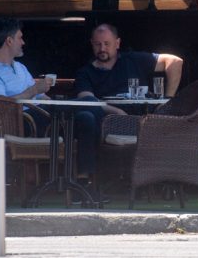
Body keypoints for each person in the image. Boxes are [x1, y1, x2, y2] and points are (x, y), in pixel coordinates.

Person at [73, 23, 183, 181]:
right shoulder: (85, 72)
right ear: (92, 44)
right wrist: (116, 112)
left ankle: (164, 180)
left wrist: (168, 100)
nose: (102, 48)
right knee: (86, 115)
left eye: (107, 44)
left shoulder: (133, 60)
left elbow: (175, 62)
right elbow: (87, 100)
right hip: (107, 122)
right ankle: (87, 181)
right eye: (98, 44)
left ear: (117, 43)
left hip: (143, 121)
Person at [0, 18, 52, 135]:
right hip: (20, 124)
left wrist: (56, 104)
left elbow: (40, 96)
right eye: (20, 38)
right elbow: (1, 107)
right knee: (73, 118)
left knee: (78, 113)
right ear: (9, 41)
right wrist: (34, 90)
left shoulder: (20, 67)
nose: (23, 42)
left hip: (39, 117)